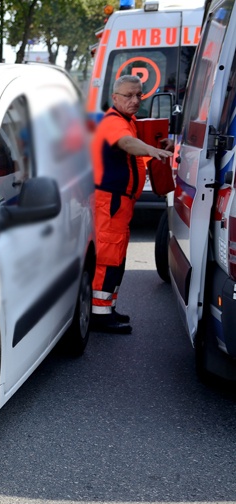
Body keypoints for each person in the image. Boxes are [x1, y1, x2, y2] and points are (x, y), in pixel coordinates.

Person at [90, 75, 174, 334]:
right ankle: (99, 314)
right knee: (108, 257)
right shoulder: (114, 122)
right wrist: (150, 149)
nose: (135, 100)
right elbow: (127, 143)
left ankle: (107, 308)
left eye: (139, 94)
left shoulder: (129, 120)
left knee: (117, 257)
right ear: (115, 98)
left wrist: (158, 145)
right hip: (111, 201)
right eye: (129, 95)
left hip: (120, 202)